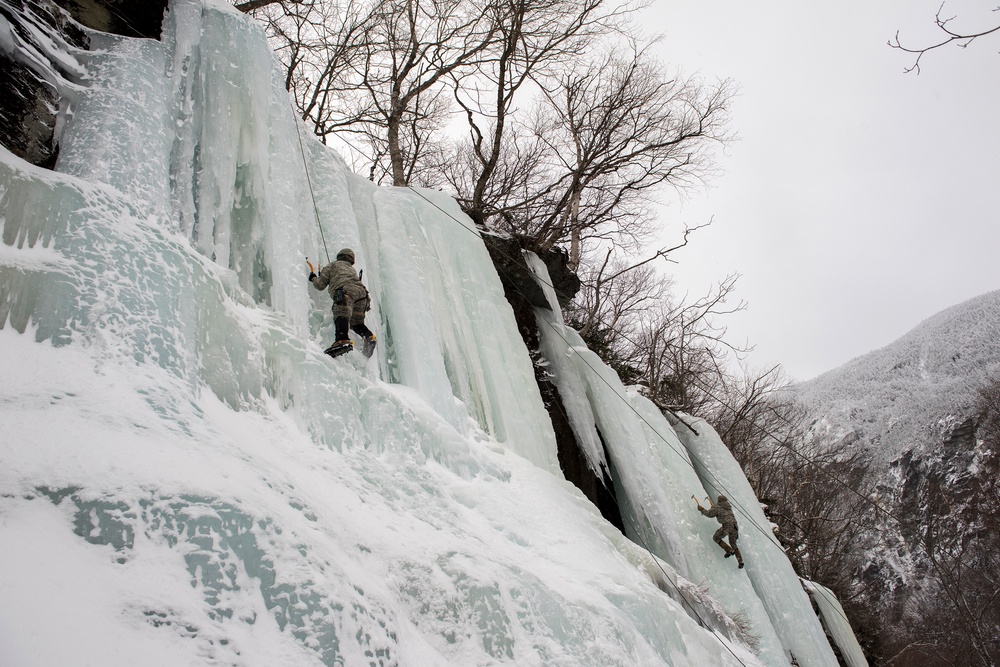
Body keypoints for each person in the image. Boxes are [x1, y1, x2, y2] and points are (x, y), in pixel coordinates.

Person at [309, 248, 376, 358]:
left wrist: (313, 278)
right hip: (362, 295)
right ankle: (369, 337)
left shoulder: (332, 265)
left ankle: (342, 340)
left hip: (346, 291)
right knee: (356, 323)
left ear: (339, 256)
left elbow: (320, 285)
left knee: (341, 313)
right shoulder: (351, 270)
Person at [698, 494, 744, 569]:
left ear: (719, 501)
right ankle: (740, 561)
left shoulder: (717, 508)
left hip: (727, 527)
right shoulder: (728, 507)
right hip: (735, 527)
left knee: (716, 537)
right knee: (733, 543)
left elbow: (710, 514)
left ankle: (728, 550)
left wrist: (702, 509)